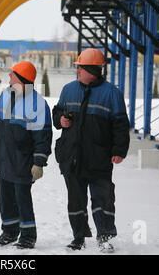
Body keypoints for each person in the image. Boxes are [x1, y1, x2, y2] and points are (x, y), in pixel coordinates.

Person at [52, 48, 130, 252]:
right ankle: (78, 237)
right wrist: (60, 120)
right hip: (73, 157)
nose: (77, 71)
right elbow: (57, 111)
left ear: (91, 70)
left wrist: (119, 150)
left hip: (99, 158)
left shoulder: (112, 94)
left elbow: (120, 125)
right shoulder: (69, 89)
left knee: (103, 199)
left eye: (80, 68)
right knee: (76, 201)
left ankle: (105, 237)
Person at [0, 60, 52, 249]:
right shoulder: (5, 96)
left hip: (23, 161)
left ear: (21, 79)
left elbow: (42, 137)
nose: (9, 76)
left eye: (13, 74)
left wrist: (39, 163)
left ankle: (28, 235)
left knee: (22, 198)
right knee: (6, 198)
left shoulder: (38, 104)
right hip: (3, 158)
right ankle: (9, 231)